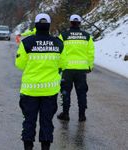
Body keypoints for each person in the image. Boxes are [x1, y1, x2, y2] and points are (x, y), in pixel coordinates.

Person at [15, 13, 64, 150]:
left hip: (30, 91)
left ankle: (28, 147)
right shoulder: (58, 43)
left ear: (35, 25)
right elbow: (63, 64)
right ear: (49, 26)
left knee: (29, 122)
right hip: (50, 91)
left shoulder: (26, 43)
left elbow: (19, 64)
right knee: (47, 122)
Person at [57, 14, 95, 122]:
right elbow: (90, 53)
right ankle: (82, 116)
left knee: (65, 92)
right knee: (82, 93)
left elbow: (58, 52)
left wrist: (59, 67)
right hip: (81, 70)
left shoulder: (63, 35)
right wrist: (89, 66)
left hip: (67, 69)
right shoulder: (87, 36)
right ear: (80, 23)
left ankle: (65, 114)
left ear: (70, 22)